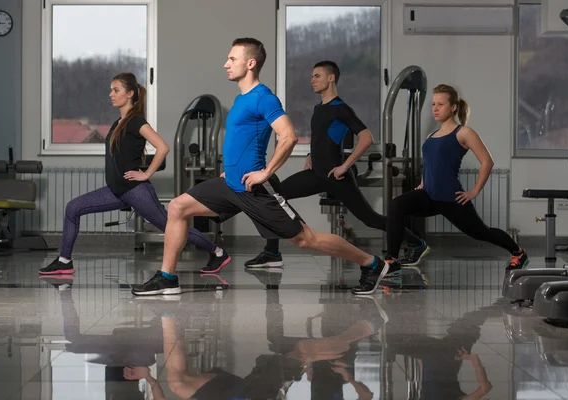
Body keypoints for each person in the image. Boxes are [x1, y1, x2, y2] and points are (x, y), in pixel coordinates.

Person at [131, 38, 397, 296]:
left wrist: (266, 172)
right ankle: (167, 278)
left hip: (255, 188)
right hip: (231, 184)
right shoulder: (240, 99)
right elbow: (242, 142)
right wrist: (231, 169)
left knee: (306, 239)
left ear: (250, 64)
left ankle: (372, 264)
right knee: (178, 206)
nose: (226, 63)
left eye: (232, 58)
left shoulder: (263, 98)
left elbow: (288, 135)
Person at [39, 72, 230, 276]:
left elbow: (163, 147)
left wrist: (146, 174)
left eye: (116, 90)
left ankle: (217, 252)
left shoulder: (136, 121)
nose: (111, 94)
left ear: (130, 93)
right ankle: (64, 261)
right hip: (116, 190)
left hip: (135, 190)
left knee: (169, 225)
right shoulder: (117, 123)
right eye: (111, 90)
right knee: (73, 208)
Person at [244, 60, 428, 270]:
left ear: (331, 78)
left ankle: (417, 243)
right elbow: (324, 137)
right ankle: (272, 252)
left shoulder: (341, 108)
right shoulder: (319, 108)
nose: (312, 80)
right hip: (316, 174)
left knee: (370, 218)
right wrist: (312, 154)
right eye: (312, 76)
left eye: (317, 76)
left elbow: (366, 138)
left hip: (337, 177)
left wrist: (345, 166)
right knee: (277, 197)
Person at [353, 84, 529, 294]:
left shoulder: (464, 132)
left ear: (453, 107)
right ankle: (393, 259)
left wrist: (473, 191)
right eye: (434, 104)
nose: (435, 108)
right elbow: (431, 163)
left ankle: (518, 252)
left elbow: (487, 162)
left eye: (441, 104)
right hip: (429, 194)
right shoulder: (431, 136)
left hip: (450, 198)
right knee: (397, 205)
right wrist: (423, 181)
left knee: (481, 233)